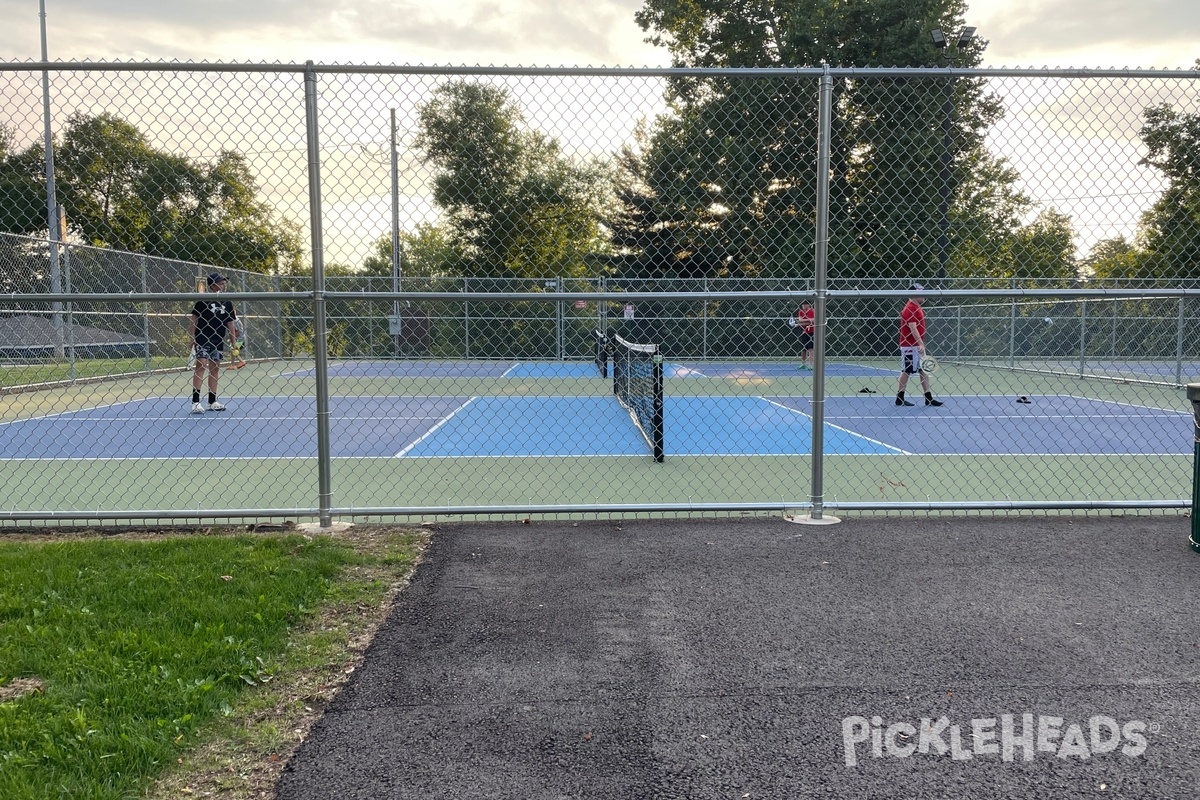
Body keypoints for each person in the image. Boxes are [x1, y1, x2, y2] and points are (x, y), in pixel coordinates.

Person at [188, 272, 238, 413]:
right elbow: (193, 319)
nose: (224, 285)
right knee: (201, 364)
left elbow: (230, 323)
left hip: (218, 339)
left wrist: (234, 342)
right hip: (203, 337)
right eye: (221, 283)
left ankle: (212, 401)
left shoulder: (227, 302)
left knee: (215, 368)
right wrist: (192, 337)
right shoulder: (203, 300)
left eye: (224, 283)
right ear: (213, 286)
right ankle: (196, 402)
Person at [896, 283, 943, 407]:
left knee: (923, 370)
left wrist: (920, 344)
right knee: (907, 370)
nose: (924, 295)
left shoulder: (916, 307)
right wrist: (920, 343)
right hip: (910, 346)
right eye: (921, 292)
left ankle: (928, 398)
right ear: (915, 294)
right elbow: (913, 327)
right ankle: (899, 397)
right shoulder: (910, 308)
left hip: (915, 345)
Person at [793, 300, 815, 370]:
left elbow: (812, 322)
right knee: (803, 349)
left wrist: (800, 323)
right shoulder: (801, 312)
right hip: (804, 332)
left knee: (810, 349)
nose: (803, 306)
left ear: (808, 305)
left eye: (805, 304)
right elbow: (800, 320)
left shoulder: (812, 311)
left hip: (812, 332)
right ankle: (803, 364)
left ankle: (811, 365)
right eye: (802, 305)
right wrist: (808, 320)